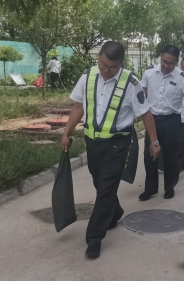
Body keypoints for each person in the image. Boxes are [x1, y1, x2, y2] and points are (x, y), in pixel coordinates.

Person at [62, 41, 160, 260]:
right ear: (99, 57)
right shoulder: (87, 77)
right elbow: (78, 106)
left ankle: (94, 239)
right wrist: (67, 132)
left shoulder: (131, 83)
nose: (107, 70)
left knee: (106, 189)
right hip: (92, 142)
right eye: (104, 65)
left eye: (113, 67)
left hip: (118, 143)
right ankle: (115, 212)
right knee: (100, 183)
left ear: (121, 64)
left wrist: (154, 142)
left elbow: (145, 113)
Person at [139, 45, 184, 201]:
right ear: (161, 57)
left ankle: (169, 187)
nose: (166, 65)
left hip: (172, 120)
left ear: (177, 62)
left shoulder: (182, 78)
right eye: (164, 61)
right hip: (152, 120)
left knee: (171, 157)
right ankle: (150, 189)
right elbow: (141, 93)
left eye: (170, 63)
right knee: (149, 156)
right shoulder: (149, 73)